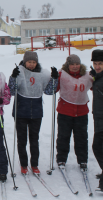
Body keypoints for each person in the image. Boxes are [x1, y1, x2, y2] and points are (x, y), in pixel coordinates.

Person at [8, 51, 58, 174]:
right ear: (25, 62)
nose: (31, 64)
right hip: (21, 111)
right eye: (29, 62)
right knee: (22, 140)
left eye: (33, 62)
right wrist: (13, 77)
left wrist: (54, 79)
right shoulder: (19, 72)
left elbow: (49, 91)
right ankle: (24, 165)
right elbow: (12, 90)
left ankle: (34, 164)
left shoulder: (42, 74)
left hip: (36, 112)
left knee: (34, 140)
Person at [55, 54, 93, 170]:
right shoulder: (61, 74)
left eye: (77, 64)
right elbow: (53, 89)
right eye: (72, 64)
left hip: (81, 112)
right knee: (63, 136)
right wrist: (54, 79)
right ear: (68, 65)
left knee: (81, 137)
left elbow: (95, 87)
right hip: (65, 111)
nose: (75, 66)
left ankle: (82, 160)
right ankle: (61, 159)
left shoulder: (87, 75)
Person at [90, 49, 103, 192]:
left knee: (98, 147)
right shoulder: (98, 77)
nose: (97, 66)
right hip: (99, 118)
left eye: (100, 63)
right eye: (95, 63)